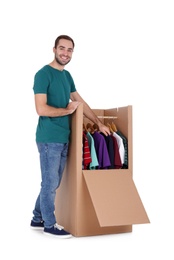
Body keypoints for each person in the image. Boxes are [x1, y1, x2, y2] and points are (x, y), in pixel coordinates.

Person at [30, 35, 110, 238]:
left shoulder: (67, 76)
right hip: (49, 138)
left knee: (52, 182)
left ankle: (37, 217)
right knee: (50, 183)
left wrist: (99, 123)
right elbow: (41, 109)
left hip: (64, 137)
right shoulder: (43, 74)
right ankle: (49, 224)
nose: (65, 53)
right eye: (62, 48)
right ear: (54, 49)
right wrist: (66, 110)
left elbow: (79, 101)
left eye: (69, 50)